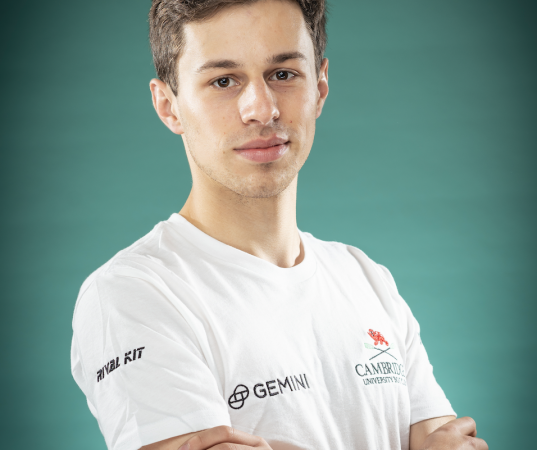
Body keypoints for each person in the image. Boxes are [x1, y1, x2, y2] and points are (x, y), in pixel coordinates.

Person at [70, 1, 488, 449]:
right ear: (168, 106)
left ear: (320, 87)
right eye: (223, 81)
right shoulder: (133, 295)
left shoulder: (365, 278)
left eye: (283, 74)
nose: (262, 109)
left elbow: (449, 440)